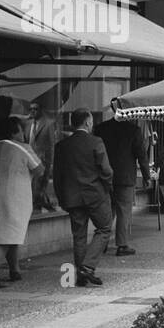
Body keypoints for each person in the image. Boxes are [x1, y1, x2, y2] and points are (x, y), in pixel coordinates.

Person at [0, 116, 42, 288]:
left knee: (10, 233)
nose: (23, 134)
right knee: (5, 236)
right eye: (21, 131)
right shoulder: (23, 148)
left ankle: (14, 269)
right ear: (15, 132)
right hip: (15, 197)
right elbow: (39, 170)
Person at [53, 108, 114, 288]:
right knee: (104, 228)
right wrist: (107, 187)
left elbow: (57, 176)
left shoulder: (62, 146)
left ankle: (80, 274)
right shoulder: (96, 142)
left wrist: (61, 198)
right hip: (95, 194)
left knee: (78, 235)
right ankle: (87, 267)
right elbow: (106, 170)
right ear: (88, 122)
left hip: (72, 196)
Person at [93, 112, 152, 255]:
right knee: (124, 211)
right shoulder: (133, 130)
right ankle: (122, 245)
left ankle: (101, 243)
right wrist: (147, 176)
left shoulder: (101, 128)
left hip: (104, 177)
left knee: (107, 211)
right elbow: (142, 155)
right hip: (125, 178)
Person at [26, 102, 58, 211]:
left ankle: (41, 208)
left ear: (40, 110)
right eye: (30, 109)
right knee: (32, 190)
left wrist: (51, 163)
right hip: (28, 162)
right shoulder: (28, 124)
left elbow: (51, 145)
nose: (32, 111)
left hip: (42, 162)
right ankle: (44, 205)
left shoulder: (48, 124)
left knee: (38, 189)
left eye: (35, 109)